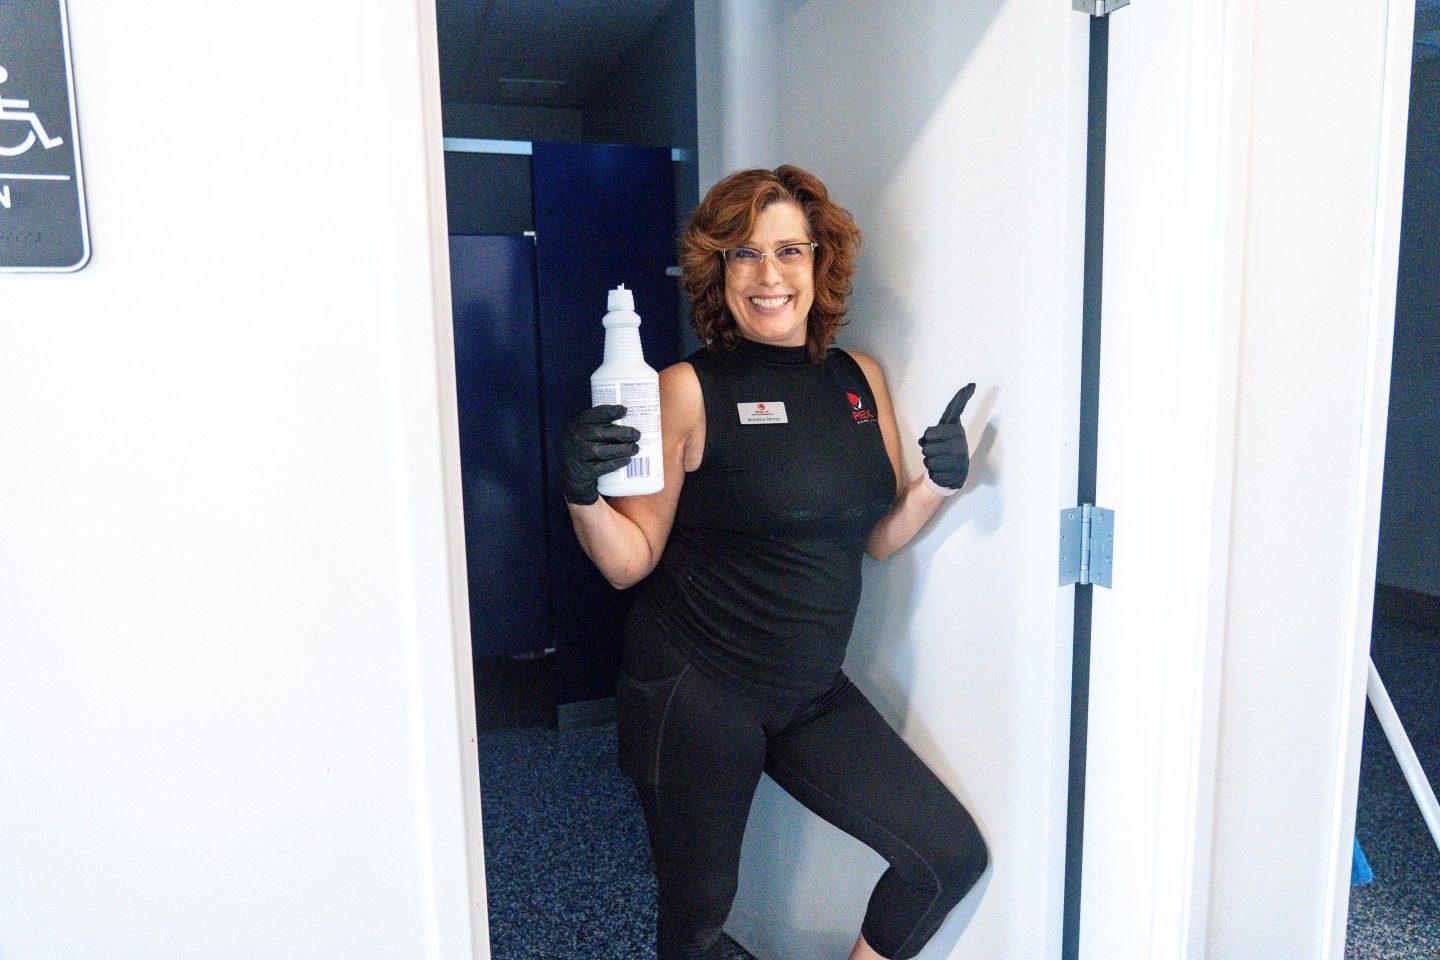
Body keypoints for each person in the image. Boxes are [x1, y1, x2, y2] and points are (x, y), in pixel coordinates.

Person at [561, 165, 988, 960]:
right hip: (696, 690)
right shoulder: (686, 390)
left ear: (820, 262)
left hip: (809, 692)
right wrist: (582, 492)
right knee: (697, 921)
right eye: (745, 254)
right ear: (718, 271)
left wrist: (938, 484)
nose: (769, 276)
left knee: (946, 859)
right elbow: (630, 561)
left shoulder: (859, 379)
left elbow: (876, 538)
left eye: (789, 250)